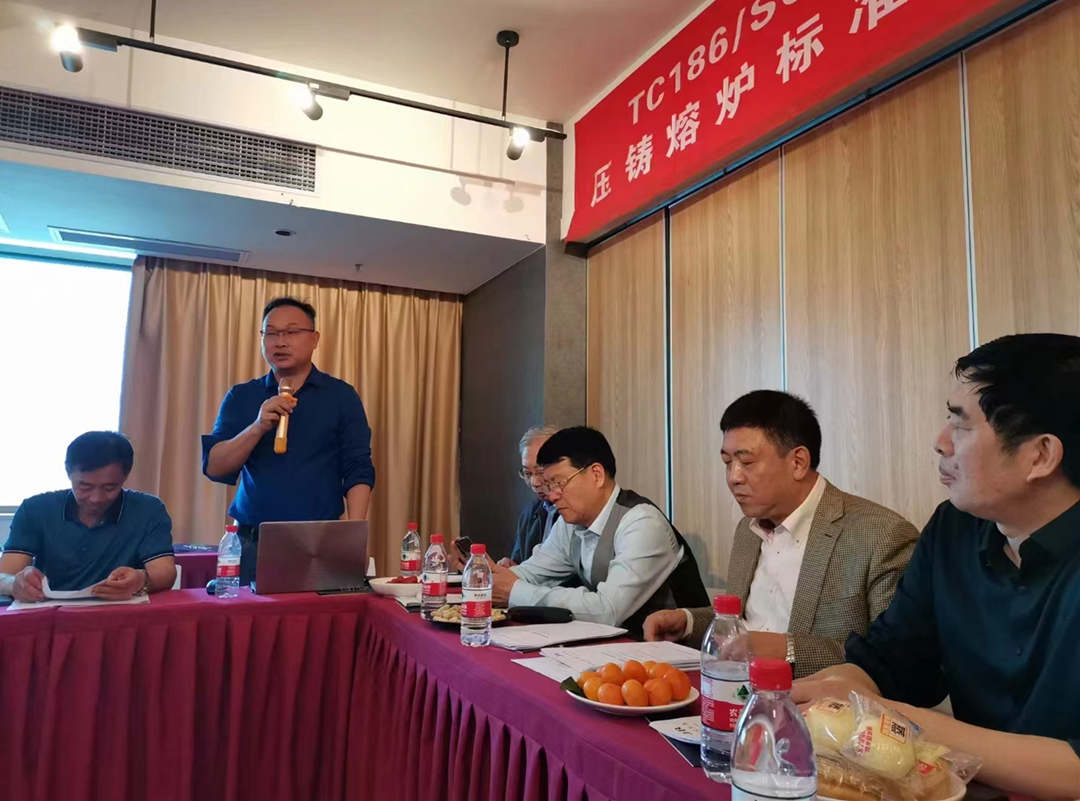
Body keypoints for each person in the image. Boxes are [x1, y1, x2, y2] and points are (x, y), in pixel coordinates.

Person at [792, 334, 1080, 800]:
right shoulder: (954, 529)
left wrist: (901, 718)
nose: (940, 442)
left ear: (1041, 455)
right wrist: (838, 689)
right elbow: (893, 660)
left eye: (961, 425)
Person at [643, 390, 918, 677]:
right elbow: (745, 624)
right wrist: (687, 622)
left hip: (816, 700)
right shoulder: (748, 530)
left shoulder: (880, 536)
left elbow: (893, 660)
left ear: (798, 462)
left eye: (746, 462)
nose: (733, 477)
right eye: (727, 463)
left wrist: (787, 650)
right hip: (736, 690)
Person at [202, 297, 375, 583]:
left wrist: (352, 537)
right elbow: (215, 467)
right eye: (271, 333)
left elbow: (358, 468)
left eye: (292, 332)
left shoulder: (341, 396)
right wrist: (257, 426)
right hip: (252, 541)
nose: (280, 342)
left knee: (323, 614)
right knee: (247, 613)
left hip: (320, 541)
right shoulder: (242, 396)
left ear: (314, 339)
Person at [489, 426, 709, 632]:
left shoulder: (642, 523)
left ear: (596, 475)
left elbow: (608, 610)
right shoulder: (570, 523)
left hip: (669, 651)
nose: (552, 495)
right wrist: (487, 579)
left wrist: (514, 591)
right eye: (548, 485)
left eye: (559, 483)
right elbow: (533, 573)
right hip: (614, 646)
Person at [0, 431, 176, 601]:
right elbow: (5, 574)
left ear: (125, 476)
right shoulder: (35, 509)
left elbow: (165, 572)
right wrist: (14, 584)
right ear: (68, 473)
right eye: (84, 487)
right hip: (49, 613)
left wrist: (141, 579)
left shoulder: (148, 509)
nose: (96, 498)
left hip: (120, 613)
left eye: (109, 488)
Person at [449, 425, 559, 572]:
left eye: (540, 472)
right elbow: (521, 566)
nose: (534, 482)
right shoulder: (530, 514)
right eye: (527, 473)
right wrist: (508, 567)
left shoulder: (574, 515)